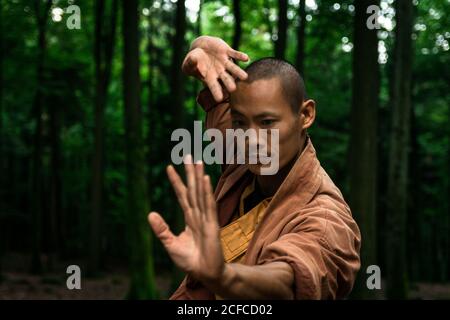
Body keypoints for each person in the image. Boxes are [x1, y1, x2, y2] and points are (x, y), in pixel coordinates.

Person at [148, 36, 361, 299]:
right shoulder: (240, 151)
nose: (251, 139)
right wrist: (200, 47)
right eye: (240, 124)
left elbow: (289, 278)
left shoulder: (326, 217)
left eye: (267, 122)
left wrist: (223, 276)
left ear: (305, 115)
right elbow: (217, 89)